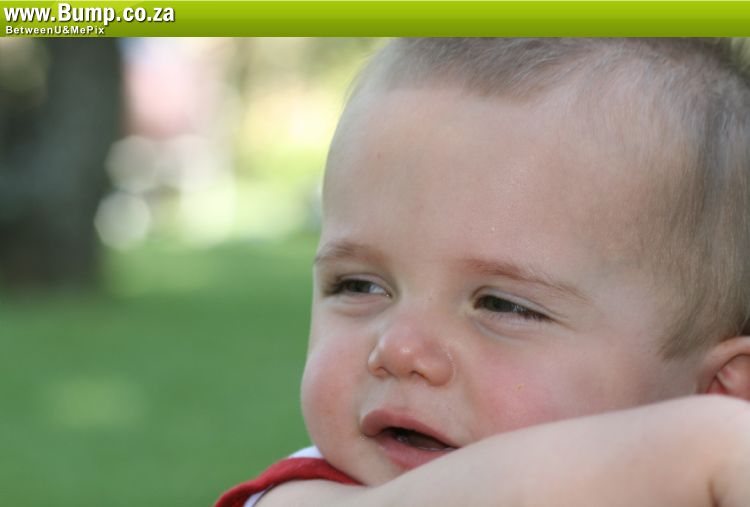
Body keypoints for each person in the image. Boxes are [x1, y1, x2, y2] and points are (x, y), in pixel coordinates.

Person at [215, 38, 750, 507]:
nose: (399, 349)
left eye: (501, 305)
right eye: (360, 285)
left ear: (719, 390)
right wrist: (704, 446)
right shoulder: (304, 495)